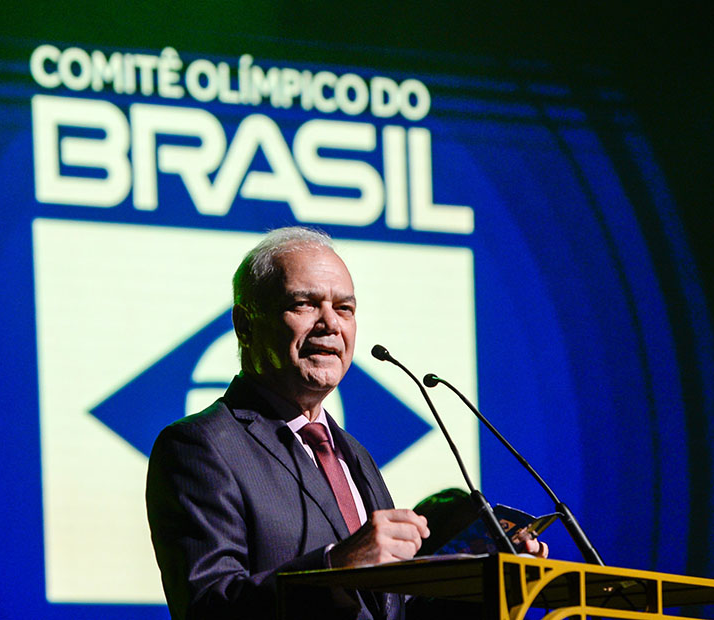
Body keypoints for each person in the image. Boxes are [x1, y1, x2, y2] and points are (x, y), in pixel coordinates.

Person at [145, 227, 543, 620]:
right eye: (304, 303)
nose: (330, 324)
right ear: (245, 325)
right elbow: (209, 607)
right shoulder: (200, 447)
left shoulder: (353, 454)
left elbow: (391, 609)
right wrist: (336, 566)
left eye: (344, 308)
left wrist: (489, 583)